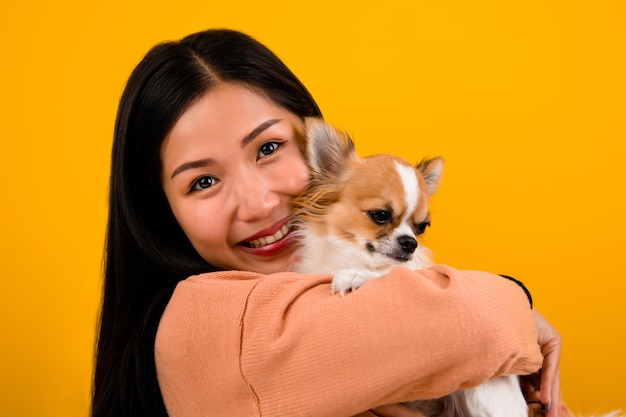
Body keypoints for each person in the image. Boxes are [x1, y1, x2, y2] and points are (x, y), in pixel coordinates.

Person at [92, 28, 570, 417]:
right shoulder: (198, 323)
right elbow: (477, 324)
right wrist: (517, 305)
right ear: (161, 211)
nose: (258, 204)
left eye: (268, 148)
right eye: (202, 182)